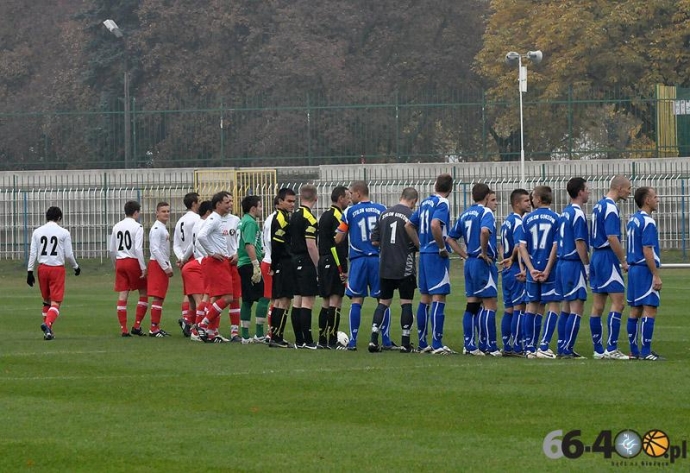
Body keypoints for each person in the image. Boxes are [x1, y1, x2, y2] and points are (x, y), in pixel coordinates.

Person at [405, 174, 464, 355]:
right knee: (439, 297)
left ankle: (423, 343)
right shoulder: (443, 203)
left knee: (425, 298)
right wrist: (440, 247)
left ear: (435, 185)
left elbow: (408, 225)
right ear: (451, 189)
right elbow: (435, 225)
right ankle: (437, 344)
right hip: (435, 256)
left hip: (423, 255)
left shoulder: (424, 203)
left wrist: (420, 245)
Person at [449, 184, 501, 357]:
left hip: (470, 262)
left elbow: (450, 238)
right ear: (486, 196)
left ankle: (469, 344)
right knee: (490, 305)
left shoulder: (465, 214)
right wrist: (484, 252)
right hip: (482, 262)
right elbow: (485, 232)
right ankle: (489, 346)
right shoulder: (485, 213)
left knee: (472, 304)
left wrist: (465, 255)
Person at [335, 181, 387, 350]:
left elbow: (339, 237)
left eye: (351, 193)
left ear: (358, 193)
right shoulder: (381, 209)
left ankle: (353, 340)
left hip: (358, 260)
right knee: (383, 300)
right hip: (377, 259)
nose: (350, 196)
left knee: (357, 300)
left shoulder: (349, 211)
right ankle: (385, 340)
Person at [368, 187, 419, 353]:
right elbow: (415, 238)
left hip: (385, 264)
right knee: (406, 303)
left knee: (383, 302)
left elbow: (374, 240)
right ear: (413, 201)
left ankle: (373, 339)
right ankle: (405, 342)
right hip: (405, 264)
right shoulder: (411, 215)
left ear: (401, 196)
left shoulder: (384, 214)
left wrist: (386, 245)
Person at [589, 175, 632, 360]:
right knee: (619, 303)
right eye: (628, 188)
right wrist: (623, 260)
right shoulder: (611, 208)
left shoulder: (598, 205)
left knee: (598, 305)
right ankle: (611, 348)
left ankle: (598, 350)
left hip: (596, 256)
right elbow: (612, 237)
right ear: (620, 187)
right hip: (607, 257)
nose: (630, 192)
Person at [518, 186, 560, 359]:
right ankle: (543, 345)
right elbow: (555, 246)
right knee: (553, 304)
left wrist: (531, 269)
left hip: (532, 269)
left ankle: (529, 348)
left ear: (538, 198)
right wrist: (547, 269)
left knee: (532, 305)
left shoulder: (527, 219)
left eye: (532, 197)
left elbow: (522, 246)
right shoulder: (557, 218)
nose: (531, 200)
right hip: (549, 268)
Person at [26, 206, 80, 340]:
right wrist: (76, 266)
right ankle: (48, 324)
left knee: (46, 301)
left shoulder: (37, 232)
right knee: (56, 302)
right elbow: (68, 254)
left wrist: (29, 271)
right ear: (59, 218)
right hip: (56, 269)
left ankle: (48, 332)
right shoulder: (63, 232)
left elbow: (33, 253)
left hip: (42, 268)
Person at [626, 187, 664, 361]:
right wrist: (655, 274)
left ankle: (634, 350)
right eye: (655, 197)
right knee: (650, 308)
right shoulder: (648, 222)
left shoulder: (633, 219)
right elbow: (647, 249)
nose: (658, 200)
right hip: (644, 269)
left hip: (633, 269)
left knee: (635, 310)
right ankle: (646, 351)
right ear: (647, 200)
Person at [195, 191, 237, 343]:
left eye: (231, 202)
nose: (230, 205)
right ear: (218, 204)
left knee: (217, 298)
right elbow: (201, 236)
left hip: (221, 261)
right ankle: (202, 325)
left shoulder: (216, 218)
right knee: (228, 298)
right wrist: (212, 252)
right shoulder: (214, 218)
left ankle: (211, 333)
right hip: (217, 262)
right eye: (227, 202)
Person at [557, 178, 590, 358]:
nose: (589, 193)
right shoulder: (578, 214)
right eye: (587, 189)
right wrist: (586, 266)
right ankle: (566, 348)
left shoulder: (565, 212)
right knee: (577, 307)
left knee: (566, 308)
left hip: (562, 263)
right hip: (572, 263)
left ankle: (563, 346)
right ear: (580, 192)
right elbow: (579, 242)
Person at [317, 186, 351, 348]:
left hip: (323, 260)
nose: (349, 200)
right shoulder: (339, 216)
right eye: (347, 197)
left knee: (325, 302)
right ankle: (332, 340)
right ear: (340, 198)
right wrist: (343, 269)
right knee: (336, 301)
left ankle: (322, 340)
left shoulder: (324, 215)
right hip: (334, 261)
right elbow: (339, 244)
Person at [498, 188, 530, 356]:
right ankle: (518, 347)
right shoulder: (518, 221)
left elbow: (501, 244)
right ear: (516, 203)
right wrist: (517, 262)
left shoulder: (506, 221)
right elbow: (519, 245)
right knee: (519, 307)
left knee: (509, 309)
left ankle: (507, 345)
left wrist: (505, 258)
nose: (529, 203)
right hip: (516, 268)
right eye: (525, 201)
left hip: (507, 270)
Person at [110, 200, 148, 337]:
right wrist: (143, 267)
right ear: (136, 212)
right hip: (133, 261)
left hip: (120, 261)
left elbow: (112, 250)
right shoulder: (138, 227)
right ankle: (137, 325)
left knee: (123, 294)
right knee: (143, 292)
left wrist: (115, 264)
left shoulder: (116, 226)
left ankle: (123, 328)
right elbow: (138, 248)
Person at [290, 184, 320, 349]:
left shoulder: (293, 215)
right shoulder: (310, 218)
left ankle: (299, 340)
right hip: (305, 261)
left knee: (297, 301)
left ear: (300, 198)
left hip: (294, 260)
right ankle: (308, 341)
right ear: (315, 199)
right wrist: (318, 265)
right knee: (308, 302)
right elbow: (311, 245)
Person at [237, 195, 269, 343]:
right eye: (260, 206)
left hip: (242, 263)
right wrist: (256, 264)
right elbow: (249, 244)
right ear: (253, 208)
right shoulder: (250, 223)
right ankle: (259, 334)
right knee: (264, 296)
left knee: (247, 300)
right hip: (249, 264)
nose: (261, 209)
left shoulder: (241, 221)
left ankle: (244, 335)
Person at [268, 188, 297, 348]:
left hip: (282, 263)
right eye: (289, 201)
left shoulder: (284, 216)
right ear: (279, 202)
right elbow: (277, 244)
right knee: (284, 301)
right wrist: (274, 265)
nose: (292, 204)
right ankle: (277, 338)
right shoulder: (280, 218)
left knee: (280, 301)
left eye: (294, 201)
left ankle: (276, 336)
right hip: (284, 263)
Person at [173, 192, 200, 336]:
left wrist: (181, 258)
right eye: (199, 201)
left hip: (184, 260)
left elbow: (176, 244)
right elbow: (194, 241)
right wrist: (185, 257)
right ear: (194, 203)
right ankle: (194, 324)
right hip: (194, 258)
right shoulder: (197, 219)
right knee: (198, 295)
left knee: (189, 293)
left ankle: (187, 322)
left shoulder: (180, 221)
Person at [146, 201, 174, 337]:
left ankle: (156, 327)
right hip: (157, 265)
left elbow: (164, 250)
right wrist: (165, 267)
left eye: (168, 211)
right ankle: (153, 328)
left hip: (162, 264)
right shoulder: (157, 229)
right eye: (163, 211)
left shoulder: (162, 227)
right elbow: (155, 249)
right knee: (158, 297)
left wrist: (169, 265)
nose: (166, 213)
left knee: (160, 297)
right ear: (157, 213)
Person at [187, 200, 213, 342]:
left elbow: (192, 244)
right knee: (205, 297)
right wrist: (211, 256)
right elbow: (199, 242)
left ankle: (195, 327)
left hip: (196, 261)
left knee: (202, 298)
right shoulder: (205, 224)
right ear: (209, 212)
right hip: (203, 263)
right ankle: (199, 329)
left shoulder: (197, 223)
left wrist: (184, 258)